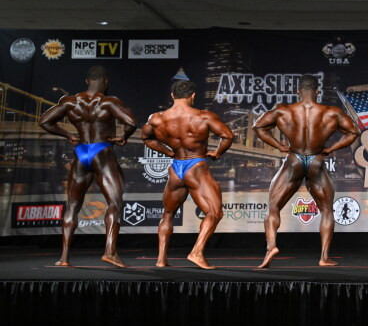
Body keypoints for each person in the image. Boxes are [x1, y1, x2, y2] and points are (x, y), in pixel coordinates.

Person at [252, 75, 360, 268]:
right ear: (317, 92)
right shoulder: (331, 112)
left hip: (294, 159)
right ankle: (324, 257)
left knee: (273, 207)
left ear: (298, 91)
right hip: (316, 160)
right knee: (326, 210)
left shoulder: (283, 111)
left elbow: (258, 127)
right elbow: (353, 132)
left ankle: (271, 247)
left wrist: (279, 146)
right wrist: (331, 148)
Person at [38, 66, 136, 267]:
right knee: (114, 203)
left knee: (72, 207)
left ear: (87, 81)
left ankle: (64, 258)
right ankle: (110, 252)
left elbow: (44, 121)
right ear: (106, 81)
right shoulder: (109, 102)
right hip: (102, 151)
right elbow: (131, 122)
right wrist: (123, 136)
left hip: (81, 151)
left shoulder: (70, 102)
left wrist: (68, 135)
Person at [141, 80, 234, 269]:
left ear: (172, 95)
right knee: (214, 212)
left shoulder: (157, 118)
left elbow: (146, 138)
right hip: (196, 166)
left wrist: (168, 152)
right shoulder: (203, 116)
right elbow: (228, 136)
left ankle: (161, 259)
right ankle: (196, 252)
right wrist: (217, 153)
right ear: (193, 96)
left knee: (168, 213)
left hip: (176, 168)